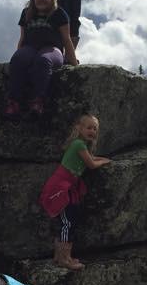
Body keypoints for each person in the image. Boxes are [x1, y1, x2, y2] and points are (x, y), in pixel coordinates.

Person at [39, 114, 110, 270]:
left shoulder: (81, 145)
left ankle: (61, 257)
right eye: (89, 127)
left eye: (95, 128)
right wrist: (104, 161)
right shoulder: (78, 144)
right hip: (60, 187)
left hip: (67, 186)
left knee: (68, 221)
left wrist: (101, 158)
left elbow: (90, 157)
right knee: (67, 222)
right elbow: (91, 164)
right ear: (79, 128)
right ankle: (65, 259)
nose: (92, 131)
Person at [5, 0, 78, 119]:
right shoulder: (26, 13)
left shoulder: (59, 13)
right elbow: (22, 37)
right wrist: (18, 57)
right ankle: (14, 102)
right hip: (30, 48)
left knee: (43, 60)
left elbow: (66, 39)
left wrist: (74, 64)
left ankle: (38, 101)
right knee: (18, 59)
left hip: (52, 49)